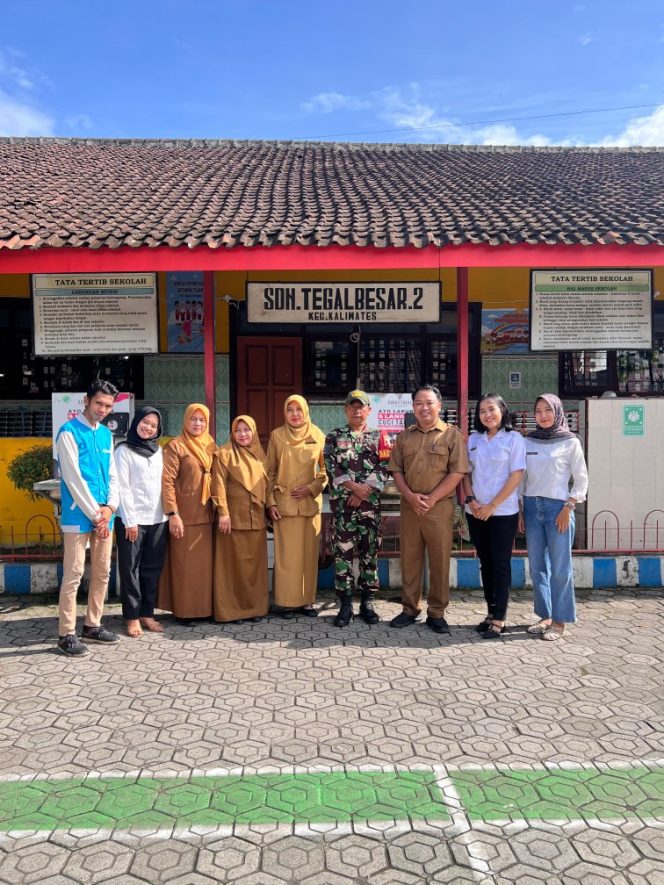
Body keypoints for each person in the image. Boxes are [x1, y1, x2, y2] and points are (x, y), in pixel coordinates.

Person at [388, 385, 468, 634]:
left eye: (429, 402)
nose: (424, 407)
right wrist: (410, 496)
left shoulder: (452, 435)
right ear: (413, 407)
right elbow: (396, 471)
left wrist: (432, 498)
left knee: (439, 560)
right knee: (409, 559)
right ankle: (410, 608)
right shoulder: (404, 437)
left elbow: (457, 472)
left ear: (439, 406)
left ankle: (437, 612)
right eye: (419, 403)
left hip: (439, 507)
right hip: (410, 507)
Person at [55, 379, 121, 656]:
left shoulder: (106, 435)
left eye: (107, 405)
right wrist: (97, 514)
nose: (103, 409)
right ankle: (66, 633)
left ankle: (92, 625)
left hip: (105, 516)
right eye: (99, 403)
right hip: (78, 516)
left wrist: (111, 508)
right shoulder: (68, 432)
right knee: (74, 573)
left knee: (103, 571)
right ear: (86, 400)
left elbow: (113, 474)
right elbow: (73, 479)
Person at [520, 393, 588, 641]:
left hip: (559, 509)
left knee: (560, 568)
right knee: (538, 567)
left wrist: (568, 507)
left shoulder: (570, 442)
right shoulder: (528, 442)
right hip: (531, 506)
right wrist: (520, 508)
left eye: (548, 410)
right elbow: (522, 478)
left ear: (558, 412)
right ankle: (545, 615)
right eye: (538, 411)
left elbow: (581, 479)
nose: (543, 415)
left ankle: (560, 621)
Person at [461, 394, 526, 639]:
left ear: (502, 410)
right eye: (481, 411)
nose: (487, 415)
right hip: (475, 511)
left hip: (502, 513)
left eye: (491, 409)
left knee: (500, 564)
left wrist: (492, 505)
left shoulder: (514, 439)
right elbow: (465, 473)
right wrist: (471, 499)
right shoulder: (474, 440)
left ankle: (500, 618)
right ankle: (489, 613)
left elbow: (516, 476)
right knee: (485, 563)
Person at [324, 390, 389, 628]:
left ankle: (367, 602)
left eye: (361, 407)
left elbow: (385, 466)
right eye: (352, 406)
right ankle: (345, 604)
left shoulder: (380, 436)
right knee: (343, 556)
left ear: (369, 410)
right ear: (345, 410)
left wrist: (364, 491)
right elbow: (331, 467)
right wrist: (352, 488)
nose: (357, 410)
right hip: (344, 510)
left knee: (369, 555)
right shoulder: (333, 436)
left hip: (369, 509)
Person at [266, 395, 327, 619]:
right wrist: (270, 502)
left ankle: (306, 601)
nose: (294, 414)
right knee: (287, 557)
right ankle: (286, 602)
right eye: (290, 409)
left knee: (308, 557)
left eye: (298, 409)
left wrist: (311, 488)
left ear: (306, 411)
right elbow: (268, 473)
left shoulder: (318, 435)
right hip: (284, 506)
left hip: (310, 506)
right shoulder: (277, 436)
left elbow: (325, 472)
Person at [157, 403, 216, 622]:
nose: (198, 424)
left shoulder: (210, 444)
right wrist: (173, 514)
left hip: (208, 515)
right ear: (185, 420)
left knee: (204, 568)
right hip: (185, 516)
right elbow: (167, 482)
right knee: (185, 567)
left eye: (202, 420)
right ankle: (185, 611)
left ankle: (204, 609)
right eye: (193, 419)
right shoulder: (176, 446)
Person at [114, 407, 168, 638]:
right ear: (136, 422)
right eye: (145, 422)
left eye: (154, 425)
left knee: (151, 569)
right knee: (130, 570)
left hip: (157, 518)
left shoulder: (158, 451)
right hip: (131, 520)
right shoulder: (123, 450)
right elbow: (122, 487)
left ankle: (147, 613)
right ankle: (132, 617)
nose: (148, 428)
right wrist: (130, 520)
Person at [212, 415, 269, 623]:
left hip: (257, 519)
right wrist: (223, 512)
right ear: (232, 433)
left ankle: (254, 609)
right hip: (233, 519)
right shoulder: (224, 454)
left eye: (247, 430)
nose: (243, 434)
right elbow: (217, 485)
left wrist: (270, 505)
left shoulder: (260, 454)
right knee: (232, 568)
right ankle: (232, 611)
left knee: (253, 569)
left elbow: (267, 484)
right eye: (238, 431)